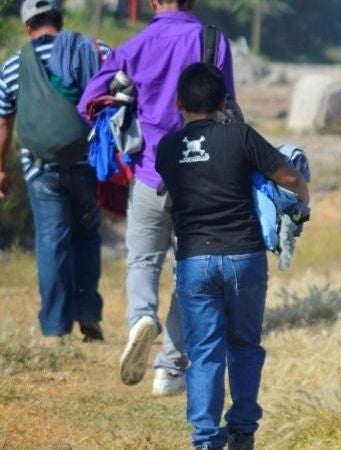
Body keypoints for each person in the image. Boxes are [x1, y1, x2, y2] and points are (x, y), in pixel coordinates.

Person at [78, 0, 236, 396]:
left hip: (150, 173)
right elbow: (227, 104)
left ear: (150, 2)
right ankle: (169, 369)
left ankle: (140, 319)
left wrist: (127, 105)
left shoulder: (132, 48)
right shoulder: (214, 42)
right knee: (191, 271)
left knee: (144, 259)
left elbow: (88, 104)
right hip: (201, 178)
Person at [155, 62, 309, 450]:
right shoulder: (240, 135)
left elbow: (172, 194)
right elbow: (288, 176)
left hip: (194, 261)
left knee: (204, 353)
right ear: (223, 101)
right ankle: (242, 431)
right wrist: (302, 203)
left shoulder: (168, 147)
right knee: (244, 345)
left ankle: (206, 439)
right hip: (243, 257)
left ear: (178, 103)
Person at [0, 0, 110, 345]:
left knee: (52, 241)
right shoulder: (95, 50)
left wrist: (1, 169)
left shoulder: (13, 66)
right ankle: (88, 313)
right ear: (60, 20)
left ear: (27, 26)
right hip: (87, 165)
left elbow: (3, 124)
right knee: (87, 237)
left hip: (41, 168)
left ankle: (53, 327)